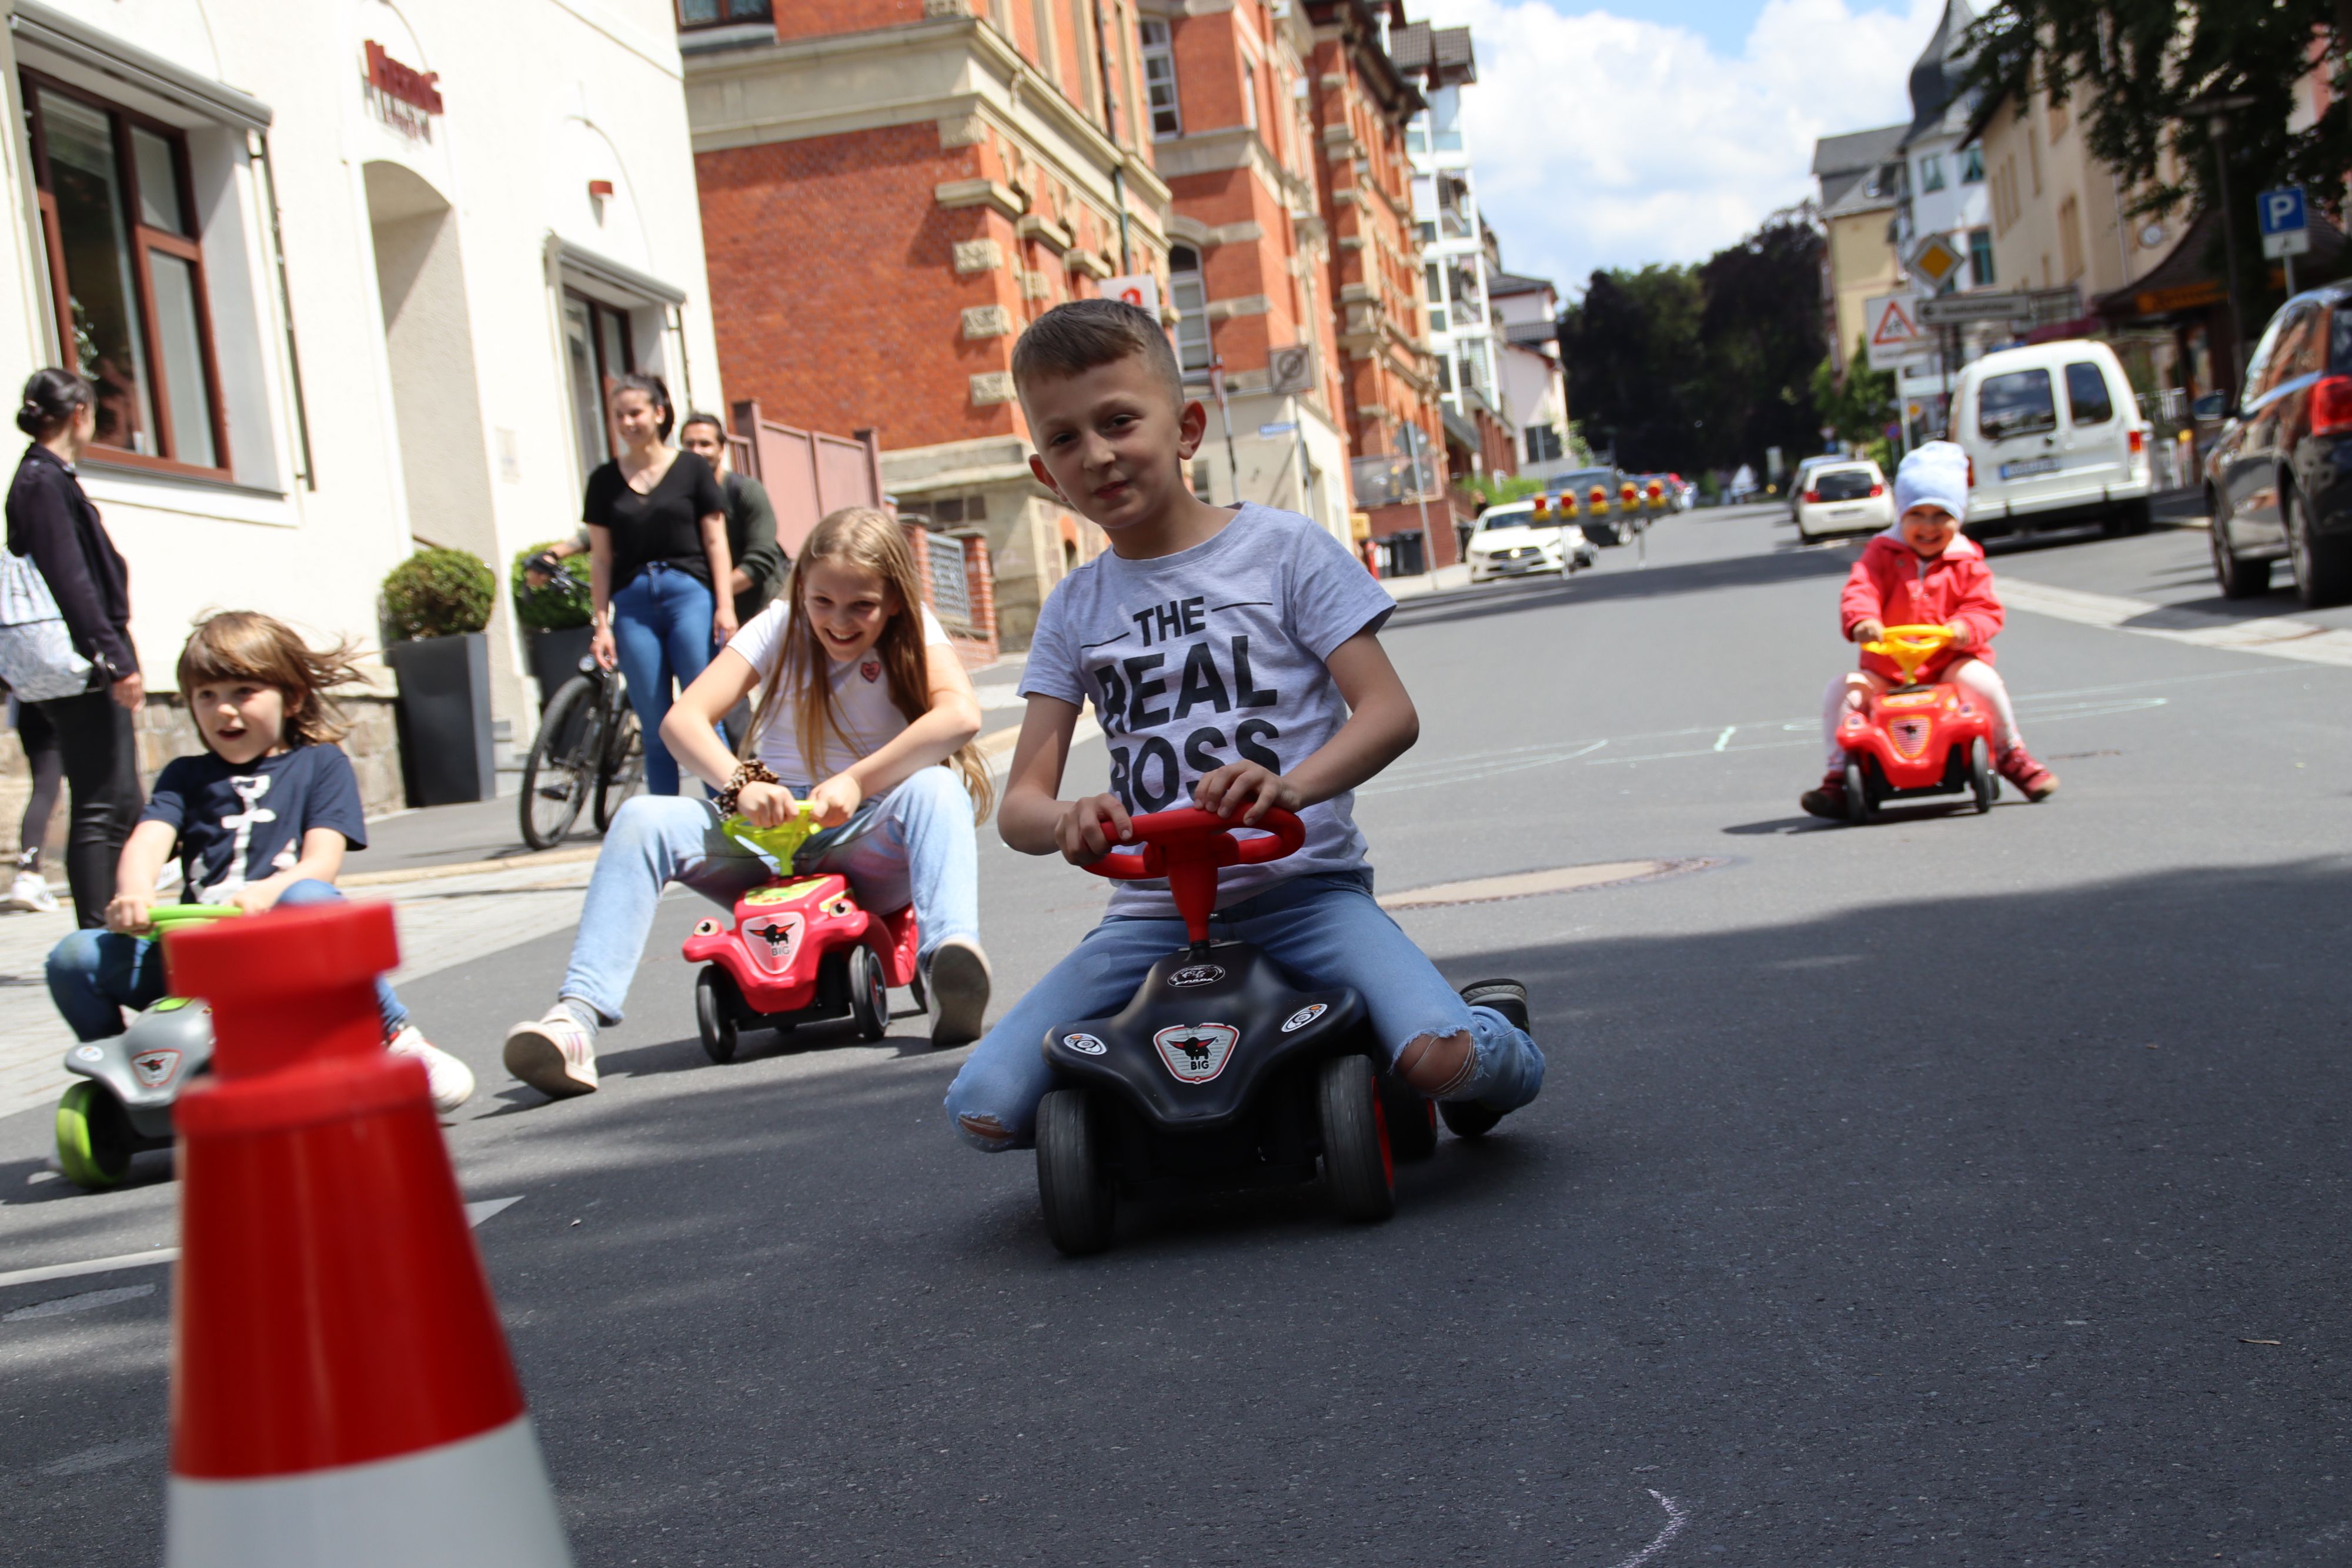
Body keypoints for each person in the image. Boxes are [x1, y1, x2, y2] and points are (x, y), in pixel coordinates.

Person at [941, 298, 1545, 1152]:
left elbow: (1389, 711)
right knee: (983, 1105)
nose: (1099, 454)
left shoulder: (1285, 551)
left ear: (1186, 426)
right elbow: (1021, 805)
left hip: (1303, 892)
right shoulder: (1076, 607)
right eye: (1067, 439)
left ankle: (1495, 1032)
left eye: (1119, 421)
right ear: (1045, 472)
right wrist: (1068, 819)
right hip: (1148, 916)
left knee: (1439, 1059)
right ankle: (1146, 1120)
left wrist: (1291, 782)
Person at [501, 506, 996, 1098]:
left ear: (891, 600)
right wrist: (741, 783)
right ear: (801, 590)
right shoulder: (778, 625)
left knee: (937, 787)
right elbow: (682, 720)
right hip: (769, 843)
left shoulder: (913, 624)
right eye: (822, 603)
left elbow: (961, 715)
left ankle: (946, 973)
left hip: (870, 843)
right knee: (641, 818)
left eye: (860, 606)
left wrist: (857, 782)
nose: (838, 623)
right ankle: (576, 1020)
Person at [44, 611, 475, 1113]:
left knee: (311, 899)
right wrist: (135, 892)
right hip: (191, 959)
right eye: (207, 695)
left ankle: (398, 1036)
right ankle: (121, 1079)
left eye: (243, 691)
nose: (223, 710)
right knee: (75, 955)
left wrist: (268, 894)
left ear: (291, 698)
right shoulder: (184, 776)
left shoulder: (321, 764)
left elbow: (322, 861)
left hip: (283, 956)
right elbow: (148, 840)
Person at [1799, 440, 2059, 819]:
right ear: (1901, 514)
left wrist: (1963, 628)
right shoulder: (1881, 554)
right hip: (1886, 670)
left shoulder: (1966, 560)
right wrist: (1864, 621)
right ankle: (1838, 777)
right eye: (1917, 514)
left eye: (1942, 515)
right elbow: (1862, 589)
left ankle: (2011, 755)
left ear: (1959, 518)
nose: (1929, 526)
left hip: (1947, 666)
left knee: (1983, 681)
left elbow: (1985, 607)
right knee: (1841, 691)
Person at [6, 369, 143, 928]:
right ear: (81, 413)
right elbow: (72, 579)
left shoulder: (49, 477)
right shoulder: (42, 481)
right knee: (99, 802)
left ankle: (124, 914)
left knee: (124, 799)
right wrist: (115, 657)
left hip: (84, 661)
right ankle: (97, 933)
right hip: (80, 665)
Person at [581, 373, 735, 797]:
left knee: (703, 714)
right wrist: (602, 623)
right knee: (656, 723)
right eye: (619, 415)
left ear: (658, 413)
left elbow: (715, 539)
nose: (628, 422)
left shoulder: (691, 469)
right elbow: (600, 557)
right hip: (632, 606)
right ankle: (664, 823)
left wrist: (725, 605)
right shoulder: (603, 481)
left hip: (688, 594)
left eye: (636, 412)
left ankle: (733, 821)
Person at [676, 413, 789, 626]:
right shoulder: (677, 498)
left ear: (722, 449)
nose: (696, 451)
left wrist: (712, 592)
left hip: (760, 610)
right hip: (705, 613)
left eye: (705, 444)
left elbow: (761, 560)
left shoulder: (745, 491)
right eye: (689, 444)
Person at [3, 691, 62, 911]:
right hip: (75, 694)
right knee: (105, 785)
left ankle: (29, 874)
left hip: (27, 696)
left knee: (45, 786)